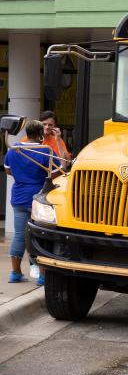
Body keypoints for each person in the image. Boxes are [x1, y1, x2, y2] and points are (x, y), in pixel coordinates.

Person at [4, 120, 52, 285]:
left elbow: (8, 170)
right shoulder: (45, 150)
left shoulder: (14, 150)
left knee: (19, 236)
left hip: (18, 197)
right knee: (40, 237)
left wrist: (22, 176)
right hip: (38, 200)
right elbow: (55, 173)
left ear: (26, 133)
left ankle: (15, 273)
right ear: (40, 134)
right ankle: (42, 276)